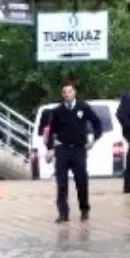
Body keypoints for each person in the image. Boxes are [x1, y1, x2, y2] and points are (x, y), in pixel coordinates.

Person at [38, 83, 103, 223]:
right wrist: (50, 148)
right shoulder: (57, 111)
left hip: (79, 149)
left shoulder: (83, 108)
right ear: (62, 95)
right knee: (61, 182)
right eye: (64, 92)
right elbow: (51, 131)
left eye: (70, 91)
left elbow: (97, 124)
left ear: (74, 93)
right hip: (62, 149)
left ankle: (84, 208)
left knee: (81, 181)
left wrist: (93, 139)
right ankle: (63, 213)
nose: (67, 94)